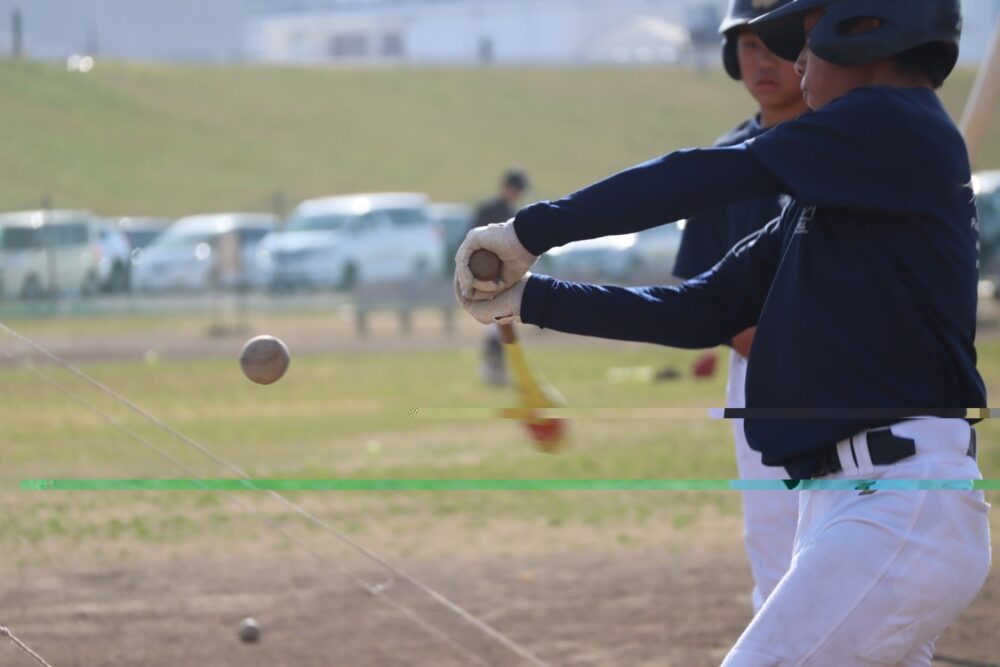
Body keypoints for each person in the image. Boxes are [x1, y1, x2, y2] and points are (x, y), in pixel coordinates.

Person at [455, 0, 991, 664]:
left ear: (866, 31)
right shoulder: (841, 187)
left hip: (896, 500)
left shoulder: (893, 120)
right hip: (854, 504)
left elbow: (705, 174)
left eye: (804, 41)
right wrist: (530, 296)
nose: (793, 63)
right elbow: (700, 309)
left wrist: (528, 232)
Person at [673, 0, 809, 613]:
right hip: (761, 372)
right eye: (749, 45)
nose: (764, 60)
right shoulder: (723, 163)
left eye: (778, 43)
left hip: (861, 372)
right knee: (774, 533)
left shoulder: (850, 147)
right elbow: (708, 291)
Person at [472, 168, 530, 385]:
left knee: (501, 324)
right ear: (509, 188)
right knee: (498, 323)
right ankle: (493, 370)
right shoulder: (488, 211)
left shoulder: (513, 214)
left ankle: (496, 370)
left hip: (505, 279)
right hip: (486, 278)